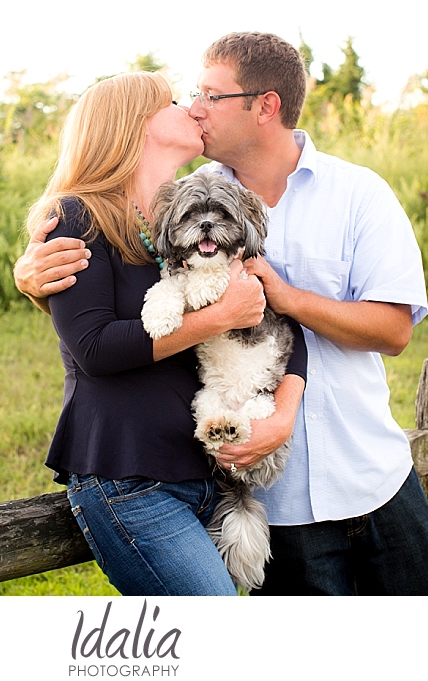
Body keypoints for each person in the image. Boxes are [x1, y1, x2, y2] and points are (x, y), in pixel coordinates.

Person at [15, 33, 428, 596]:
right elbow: (99, 314)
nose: (194, 107)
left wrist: (283, 304)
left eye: (208, 95)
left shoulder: (356, 194)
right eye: (184, 97)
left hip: (368, 471)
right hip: (260, 492)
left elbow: (388, 330)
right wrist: (29, 279)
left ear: (265, 106)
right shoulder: (182, 203)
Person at [24, 70, 308, 596]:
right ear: (137, 124)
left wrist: (284, 413)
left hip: (204, 474)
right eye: (177, 101)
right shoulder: (77, 217)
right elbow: (94, 349)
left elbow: (275, 324)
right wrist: (217, 316)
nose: (194, 109)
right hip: (129, 476)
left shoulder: (181, 219)